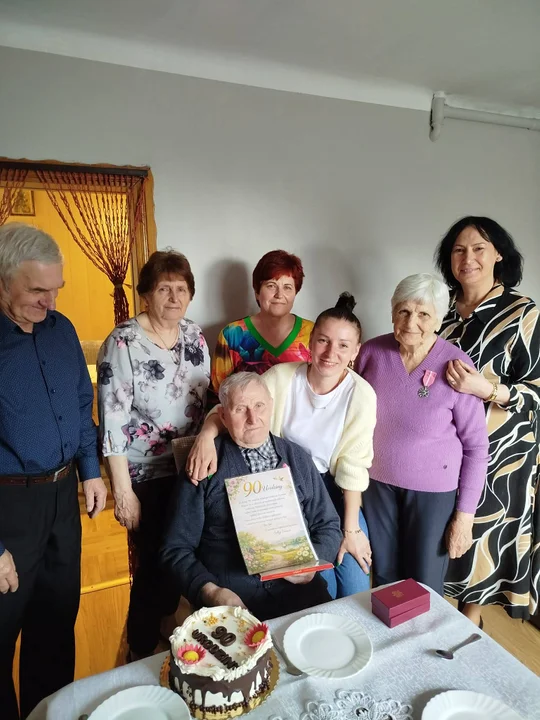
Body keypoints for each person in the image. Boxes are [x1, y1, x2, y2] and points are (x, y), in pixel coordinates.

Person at [188, 294, 377, 599]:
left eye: (343, 345)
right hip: (284, 492)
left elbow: (353, 468)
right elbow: (234, 408)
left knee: (355, 587)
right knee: (320, 588)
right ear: (310, 342)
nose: (331, 353)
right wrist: (206, 437)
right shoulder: (281, 377)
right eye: (323, 341)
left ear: (356, 351)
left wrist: (351, 529)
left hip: (336, 494)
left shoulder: (362, 395)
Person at [0, 223, 107, 720]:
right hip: (9, 509)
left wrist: (90, 469)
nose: (50, 301)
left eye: (56, 289)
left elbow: (82, 405)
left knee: (56, 625)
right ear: (3, 281)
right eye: (37, 290)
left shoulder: (61, 329)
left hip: (63, 498)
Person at [97, 250, 210, 660]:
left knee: (186, 555)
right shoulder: (122, 342)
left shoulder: (194, 336)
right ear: (145, 295)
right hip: (144, 472)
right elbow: (112, 420)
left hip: (190, 466)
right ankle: (140, 650)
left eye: (181, 289)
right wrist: (123, 492)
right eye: (164, 289)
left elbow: (206, 400)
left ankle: (168, 629)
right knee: (156, 563)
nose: (174, 297)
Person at [160, 373, 342, 619]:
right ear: (223, 416)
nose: (253, 418)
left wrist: (314, 561)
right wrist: (210, 591)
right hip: (234, 601)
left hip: (302, 595)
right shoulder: (204, 465)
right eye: (240, 409)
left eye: (259, 406)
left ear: (271, 406)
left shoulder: (298, 458)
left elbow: (328, 525)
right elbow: (176, 549)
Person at [355, 274, 489, 597]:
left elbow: (476, 447)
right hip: (376, 487)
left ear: (439, 320)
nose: (411, 322)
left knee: (424, 584)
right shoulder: (371, 353)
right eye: (403, 311)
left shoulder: (456, 365)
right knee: (384, 578)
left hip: (433, 493)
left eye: (423, 314)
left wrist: (465, 516)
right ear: (392, 312)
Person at [435, 216, 540, 624]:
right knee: (446, 535)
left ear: (498, 254)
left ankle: (470, 620)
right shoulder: (441, 312)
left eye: (479, 248)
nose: (468, 258)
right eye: (459, 250)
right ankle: (441, 620)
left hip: (502, 451)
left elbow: (536, 391)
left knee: (482, 538)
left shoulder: (523, 313)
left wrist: (487, 389)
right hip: (447, 447)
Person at [211, 250, 313, 392]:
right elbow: (218, 395)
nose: (279, 295)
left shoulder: (314, 334)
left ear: (296, 292)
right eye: (271, 285)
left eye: (287, 287)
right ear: (257, 292)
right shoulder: (232, 335)